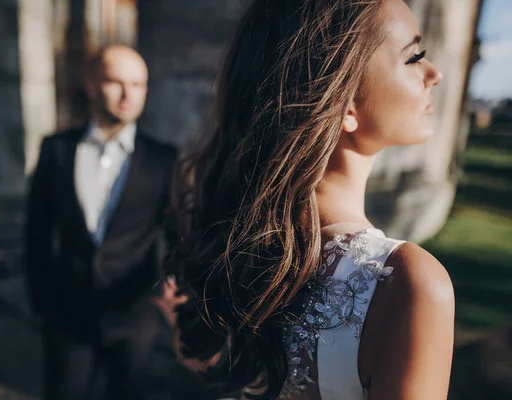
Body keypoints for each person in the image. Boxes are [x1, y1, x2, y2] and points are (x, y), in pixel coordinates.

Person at [156, 0, 455, 399]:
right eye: (414, 57)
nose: (434, 74)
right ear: (346, 103)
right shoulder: (408, 285)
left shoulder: (235, 251)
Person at [24, 45, 188, 399]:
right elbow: (36, 232)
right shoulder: (57, 150)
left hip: (133, 319)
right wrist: (41, 302)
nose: (128, 94)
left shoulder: (163, 159)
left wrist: (173, 294)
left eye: (138, 84)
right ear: (92, 86)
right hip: (67, 316)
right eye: (116, 82)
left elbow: (177, 235)